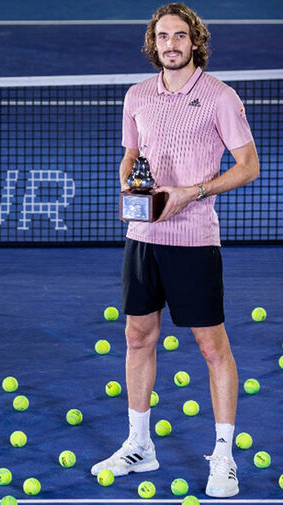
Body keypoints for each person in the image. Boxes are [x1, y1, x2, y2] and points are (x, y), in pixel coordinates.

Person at [91, 3, 259, 499]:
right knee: (138, 336)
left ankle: (224, 457)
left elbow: (249, 166)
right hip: (143, 240)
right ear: (153, 43)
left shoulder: (220, 97)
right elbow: (131, 156)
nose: (170, 44)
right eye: (162, 36)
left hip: (193, 242)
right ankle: (140, 446)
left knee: (212, 348)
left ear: (195, 41)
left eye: (180, 36)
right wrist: (127, 187)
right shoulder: (137, 96)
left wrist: (193, 192)